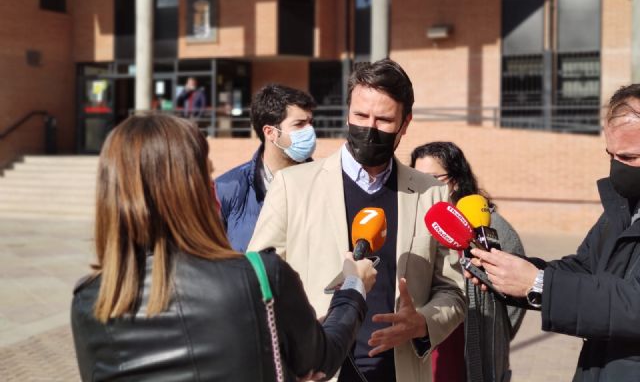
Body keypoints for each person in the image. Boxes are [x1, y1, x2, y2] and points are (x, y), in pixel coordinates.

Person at [70, 113, 377, 382]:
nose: (214, 186)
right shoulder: (259, 277)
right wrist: (354, 287)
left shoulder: (90, 300)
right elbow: (322, 359)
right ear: (191, 190)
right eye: (207, 173)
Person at [249, 59, 466, 382]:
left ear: (405, 123)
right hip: (317, 371)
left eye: (384, 120)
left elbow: (453, 289)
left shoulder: (431, 193)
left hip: (399, 372)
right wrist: (290, 347)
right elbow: (257, 283)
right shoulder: (292, 186)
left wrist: (422, 323)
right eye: (361, 116)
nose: (370, 128)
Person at [469, 83, 640, 382]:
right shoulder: (624, 206)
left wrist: (538, 284)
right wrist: (512, 274)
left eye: (628, 158)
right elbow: (584, 269)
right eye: (610, 155)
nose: (617, 168)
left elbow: (632, 304)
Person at [410, 142, 526, 382]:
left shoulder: (491, 226)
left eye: (432, 178)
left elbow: (518, 297)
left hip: (469, 350)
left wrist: (495, 334)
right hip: (425, 346)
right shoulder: (411, 224)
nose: (423, 186)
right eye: (417, 178)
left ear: (455, 181)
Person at [215, 84, 317, 251]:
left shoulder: (325, 183)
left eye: (311, 123)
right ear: (270, 132)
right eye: (299, 124)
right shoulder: (226, 189)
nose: (310, 130)